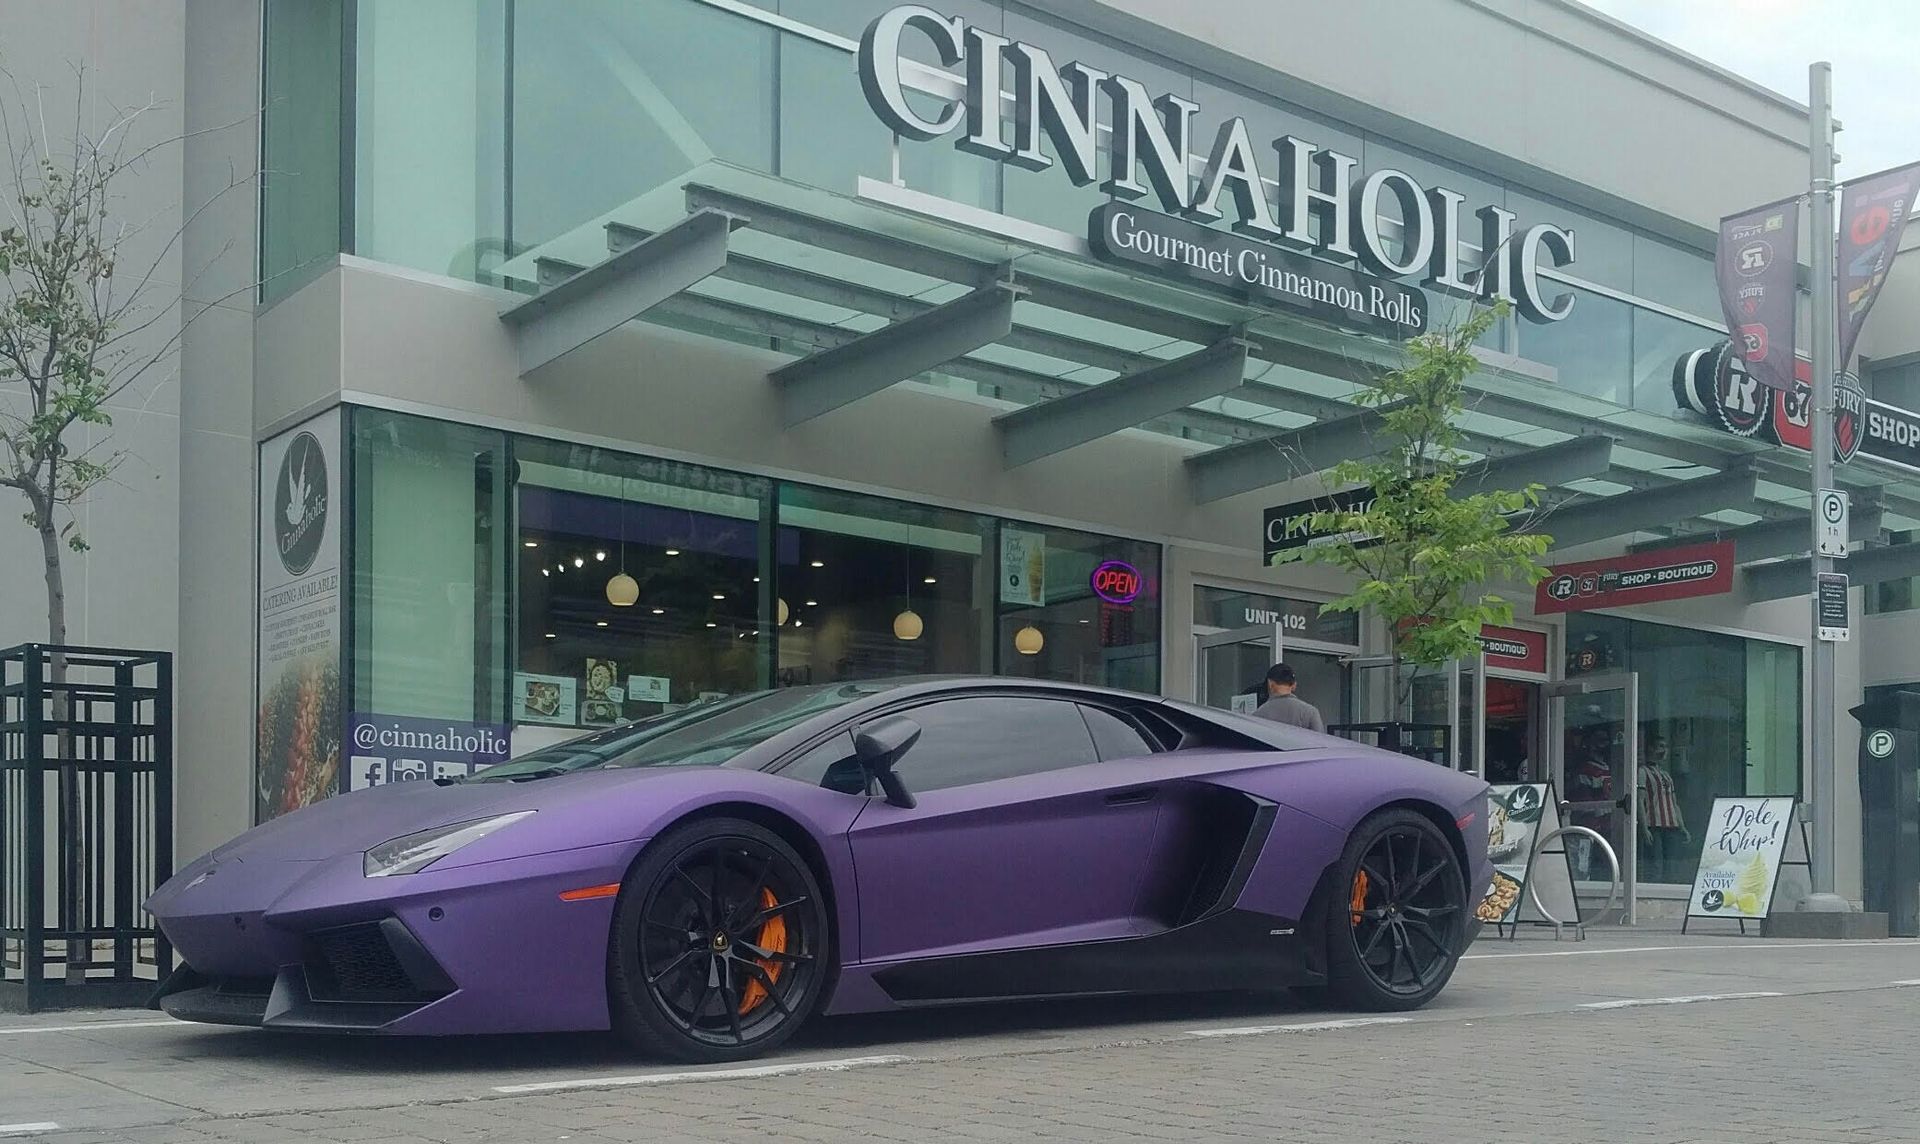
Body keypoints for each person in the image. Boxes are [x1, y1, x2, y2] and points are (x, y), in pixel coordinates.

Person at [1635, 728, 1690, 883]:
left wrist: (1682, 826)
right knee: (1656, 864)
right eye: (1660, 746)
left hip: (1671, 825)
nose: (1664, 750)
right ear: (1651, 749)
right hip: (1654, 824)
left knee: (1670, 864)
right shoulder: (1643, 772)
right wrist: (1644, 827)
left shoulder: (1666, 775)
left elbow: (1674, 802)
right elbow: (1640, 799)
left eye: (1665, 747)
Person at [1251, 662, 1326, 733]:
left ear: (1270, 684)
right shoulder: (1310, 712)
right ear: (1294, 685)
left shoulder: (1257, 715)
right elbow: (1323, 742)